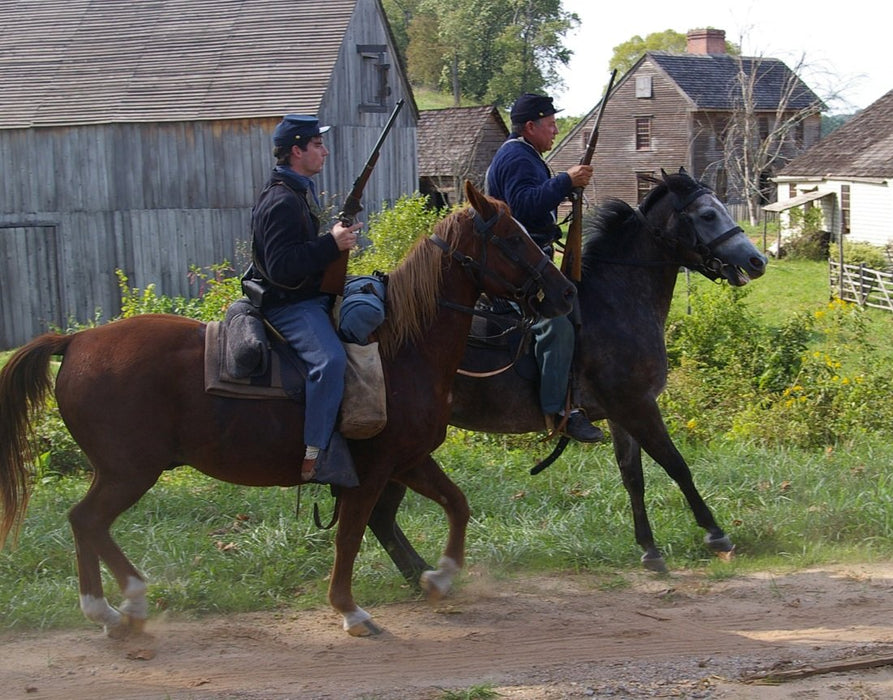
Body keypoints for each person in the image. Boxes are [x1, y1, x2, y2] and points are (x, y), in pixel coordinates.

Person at [242, 114, 363, 483]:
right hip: (288, 304)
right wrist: (331, 244)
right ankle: (316, 454)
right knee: (329, 361)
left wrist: (330, 240)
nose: (324, 152)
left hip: (305, 295)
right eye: (316, 145)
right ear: (297, 151)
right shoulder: (283, 200)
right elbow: (281, 267)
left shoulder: (294, 191)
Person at [486, 92, 604, 442]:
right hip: (516, 265)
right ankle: (559, 411)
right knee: (556, 326)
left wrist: (565, 188)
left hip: (530, 258)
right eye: (550, 124)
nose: (555, 130)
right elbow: (523, 206)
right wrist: (566, 181)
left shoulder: (525, 155)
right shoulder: (518, 157)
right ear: (530, 126)